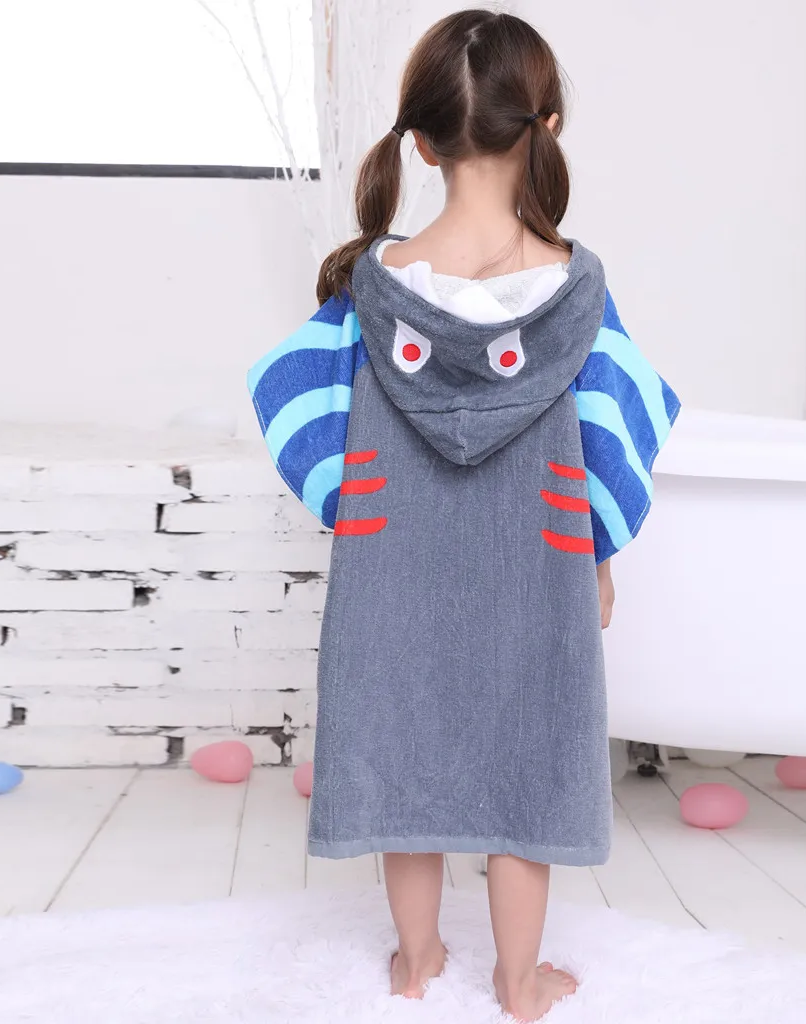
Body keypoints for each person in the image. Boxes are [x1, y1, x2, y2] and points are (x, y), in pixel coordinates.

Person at [247, 10, 678, 1020]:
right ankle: (519, 982)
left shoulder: (373, 288)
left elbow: (291, 395)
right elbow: (614, 429)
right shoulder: (577, 291)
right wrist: (597, 554)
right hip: (538, 563)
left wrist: (355, 505)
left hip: (392, 564)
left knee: (403, 741)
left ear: (424, 141)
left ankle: (416, 960)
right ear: (546, 126)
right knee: (530, 748)